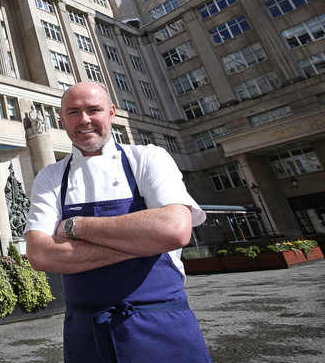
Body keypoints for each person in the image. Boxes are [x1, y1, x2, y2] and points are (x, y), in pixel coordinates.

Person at [25, 82, 211, 362]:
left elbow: (174, 230)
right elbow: (40, 254)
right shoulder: (50, 177)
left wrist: (76, 226)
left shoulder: (148, 158)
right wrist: (144, 244)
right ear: (61, 119)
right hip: (87, 335)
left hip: (162, 327)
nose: (84, 119)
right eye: (73, 112)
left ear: (111, 113)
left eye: (94, 110)